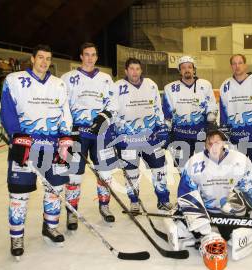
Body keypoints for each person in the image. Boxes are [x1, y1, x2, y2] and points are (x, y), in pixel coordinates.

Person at [0, 45, 73, 259]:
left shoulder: (59, 84)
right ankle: (16, 236)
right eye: (40, 57)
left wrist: (65, 136)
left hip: (52, 147)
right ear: (32, 59)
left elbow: (64, 112)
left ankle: (50, 226)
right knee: (18, 194)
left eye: (48, 58)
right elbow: (7, 110)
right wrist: (17, 135)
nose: (44, 62)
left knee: (55, 189)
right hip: (25, 146)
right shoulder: (14, 80)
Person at [164, 129, 252, 270]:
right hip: (205, 210)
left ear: (224, 144)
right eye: (210, 143)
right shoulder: (194, 163)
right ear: (205, 145)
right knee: (184, 231)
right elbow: (186, 191)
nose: (214, 146)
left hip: (229, 212)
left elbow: (251, 187)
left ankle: (230, 227)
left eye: (217, 142)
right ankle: (199, 230)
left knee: (230, 233)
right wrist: (198, 220)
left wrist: (239, 205)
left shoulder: (239, 160)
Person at [61, 42, 117, 230]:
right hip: (78, 134)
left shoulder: (106, 78)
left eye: (93, 54)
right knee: (74, 175)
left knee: (105, 172)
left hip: (101, 134)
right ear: (81, 56)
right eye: (86, 54)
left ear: (97, 57)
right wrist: (69, 129)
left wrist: (103, 118)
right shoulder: (68, 78)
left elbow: (112, 104)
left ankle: (105, 206)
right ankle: (72, 212)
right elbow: (62, 106)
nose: (90, 58)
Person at [112, 57, 173, 214]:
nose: (135, 72)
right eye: (131, 69)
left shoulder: (151, 84)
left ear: (141, 70)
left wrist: (162, 128)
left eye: (137, 69)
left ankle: (163, 200)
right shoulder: (117, 87)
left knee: (159, 169)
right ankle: (134, 201)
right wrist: (114, 132)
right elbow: (112, 111)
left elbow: (158, 109)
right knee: (131, 172)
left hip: (151, 138)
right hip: (127, 139)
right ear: (126, 71)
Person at [219, 54, 252, 180]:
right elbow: (223, 115)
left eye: (240, 63)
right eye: (234, 63)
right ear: (231, 66)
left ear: (245, 65)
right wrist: (225, 138)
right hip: (236, 139)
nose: (237, 66)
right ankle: (243, 200)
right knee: (238, 175)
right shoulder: (225, 86)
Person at [162, 56, 217, 168]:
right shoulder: (170, 88)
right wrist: (166, 132)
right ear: (179, 71)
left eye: (189, 67)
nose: (187, 70)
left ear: (194, 69)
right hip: (179, 136)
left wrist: (211, 125)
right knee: (181, 169)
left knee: (203, 168)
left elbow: (211, 106)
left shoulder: (205, 85)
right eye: (183, 67)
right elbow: (167, 114)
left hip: (201, 136)